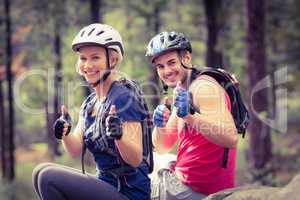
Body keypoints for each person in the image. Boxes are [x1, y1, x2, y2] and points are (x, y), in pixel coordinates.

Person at [32, 23, 151, 200]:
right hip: (105, 184)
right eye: (83, 58)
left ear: (112, 60)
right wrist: (65, 133)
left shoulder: (123, 97)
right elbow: (75, 149)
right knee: (39, 171)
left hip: (128, 193)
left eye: (95, 57)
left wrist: (119, 136)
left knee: (48, 178)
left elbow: (134, 159)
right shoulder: (90, 103)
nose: (87, 65)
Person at [146, 31, 238, 199]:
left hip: (194, 189)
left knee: (132, 187)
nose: (166, 71)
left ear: (186, 58)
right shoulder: (184, 88)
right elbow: (162, 146)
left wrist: (190, 117)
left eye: (171, 62)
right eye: (160, 66)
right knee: (153, 160)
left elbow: (231, 138)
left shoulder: (204, 88)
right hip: (186, 180)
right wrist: (159, 126)